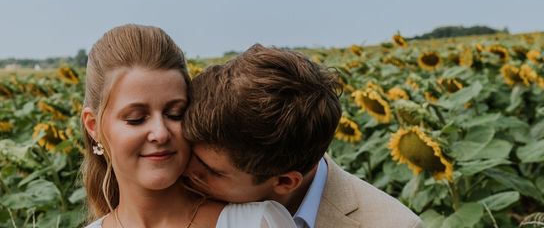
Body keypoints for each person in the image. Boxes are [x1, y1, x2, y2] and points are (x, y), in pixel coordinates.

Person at [182, 44, 424, 228]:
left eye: (212, 171)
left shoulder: (391, 224)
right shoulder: (171, 188)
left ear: (285, 181)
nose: (185, 170)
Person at [80, 25, 296, 228]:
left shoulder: (254, 223)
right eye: (136, 118)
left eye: (175, 114)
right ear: (93, 126)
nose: (160, 133)